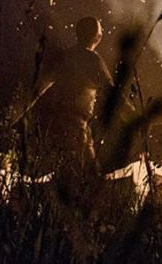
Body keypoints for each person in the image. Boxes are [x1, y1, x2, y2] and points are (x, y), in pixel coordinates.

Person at [26, 16, 114, 177]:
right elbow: (114, 96)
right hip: (76, 129)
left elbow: (36, 90)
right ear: (98, 37)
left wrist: (13, 116)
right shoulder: (92, 60)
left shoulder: (63, 57)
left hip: (54, 128)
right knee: (88, 180)